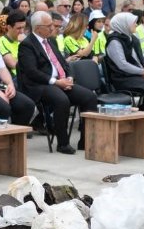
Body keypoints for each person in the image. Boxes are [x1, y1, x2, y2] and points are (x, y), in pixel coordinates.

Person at [18, 11, 98, 153]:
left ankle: (86, 141)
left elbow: (64, 64)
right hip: (40, 85)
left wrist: (70, 77)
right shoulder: (27, 45)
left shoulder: (51, 41)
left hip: (60, 81)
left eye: (52, 26)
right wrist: (55, 81)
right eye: (49, 26)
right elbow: (32, 72)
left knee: (89, 97)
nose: (52, 28)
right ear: (37, 28)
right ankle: (62, 143)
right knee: (62, 100)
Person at [0, 11, 26, 77]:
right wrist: (24, 44)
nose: (22, 31)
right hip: (17, 77)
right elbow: (13, 64)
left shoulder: (24, 39)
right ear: (9, 27)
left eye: (23, 27)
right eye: (19, 28)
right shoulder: (1, 42)